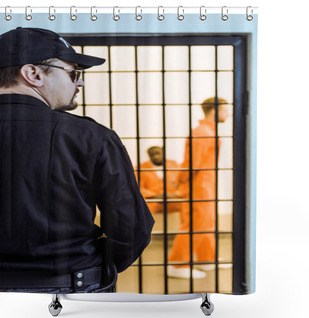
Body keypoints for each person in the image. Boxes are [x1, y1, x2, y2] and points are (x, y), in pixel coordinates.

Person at [0, 27, 154, 293]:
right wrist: (90, 263)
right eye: (73, 73)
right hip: (71, 289)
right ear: (33, 74)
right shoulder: (92, 137)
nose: (79, 83)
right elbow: (131, 230)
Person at [167, 97, 229, 279]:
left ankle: (206, 260)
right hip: (198, 187)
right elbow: (192, 164)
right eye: (225, 110)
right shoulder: (203, 132)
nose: (228, 114)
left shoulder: (207, 131)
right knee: (193, 225)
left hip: (205, 186)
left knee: (207, 224)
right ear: (214, 110)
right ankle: (178, 265)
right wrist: (180, 180)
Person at [137, 146, 182, 214]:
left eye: (157, 153)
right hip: (152, 200)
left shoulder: (174, 165)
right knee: (142, 209)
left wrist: (176, 194)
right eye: (152, 155)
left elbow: (183, 184)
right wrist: (154, 195)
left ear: (163, 153)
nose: (155, 157)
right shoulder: (141, 168)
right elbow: (138, 187)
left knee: (187, 205)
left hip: (173, 199)